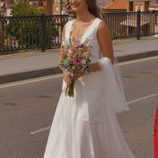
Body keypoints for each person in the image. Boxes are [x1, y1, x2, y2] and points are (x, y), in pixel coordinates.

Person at [44, 0, 135, 158]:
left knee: (85, 125)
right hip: (70, 86)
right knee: (68, 126)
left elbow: (109, 59)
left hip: (92, 88)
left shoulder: (99, 26)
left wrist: (84, 69)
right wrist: (66, 70)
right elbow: (61, 55)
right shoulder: (67, 26)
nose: (73, 1)